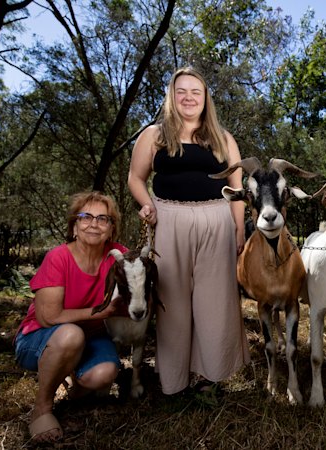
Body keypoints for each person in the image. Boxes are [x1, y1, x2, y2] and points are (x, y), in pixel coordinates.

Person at [128, 66, 250, 396]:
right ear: (172, 96)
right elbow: (135, 178)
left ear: (205, 98)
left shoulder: (223, 139)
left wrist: (239, 228)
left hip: (216, 221)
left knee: (214, 300)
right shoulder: (154, 135)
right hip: (168, 220)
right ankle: (173, 381)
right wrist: (146, 204)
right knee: (172, 301)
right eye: (181, 91)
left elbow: (237, 187)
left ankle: (208, 377)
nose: (188, 97)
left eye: (195, 92)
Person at [14, 191, 127, 444]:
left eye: (103, 219)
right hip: (40, 338)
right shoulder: (58, 257)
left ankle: (75, 391)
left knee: (104, 374)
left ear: (111, 230)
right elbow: (48, 318)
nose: (94, 224)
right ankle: (41, 408)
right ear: (74, 226)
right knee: (70, 334)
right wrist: (103, 311)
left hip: (92, 337)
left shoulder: (118, 256)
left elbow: (144, 271)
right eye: (86, 217)